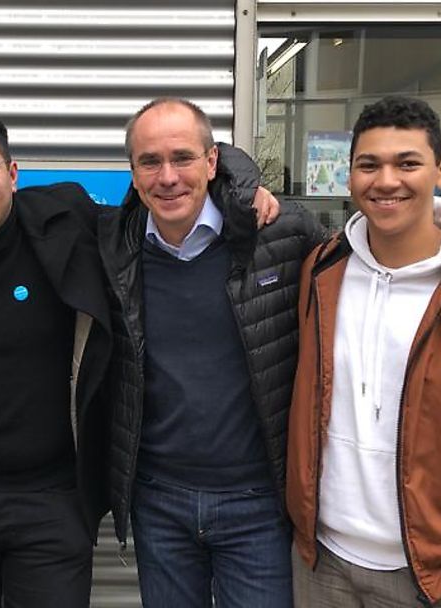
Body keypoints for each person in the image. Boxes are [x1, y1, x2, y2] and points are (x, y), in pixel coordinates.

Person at [0, 98, 281, 608]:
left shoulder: (66, 220)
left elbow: (168, 180)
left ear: (11, 172)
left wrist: (242, 187)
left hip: (54, 497)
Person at [286, 95, 441, 607]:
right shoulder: (322, 271)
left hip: (437, 577)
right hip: (322, 563)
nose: (386, 180)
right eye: (368, 164)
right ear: (349, 175)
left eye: (408, 163)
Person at [98, 97, 325, 608]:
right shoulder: (114, 246)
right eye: (149, 162)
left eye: (183, 158)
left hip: (258, 503)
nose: (168, 176)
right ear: (133, 175)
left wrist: (246, 185)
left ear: (212, 161)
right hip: (159, 502)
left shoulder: (280, 233)